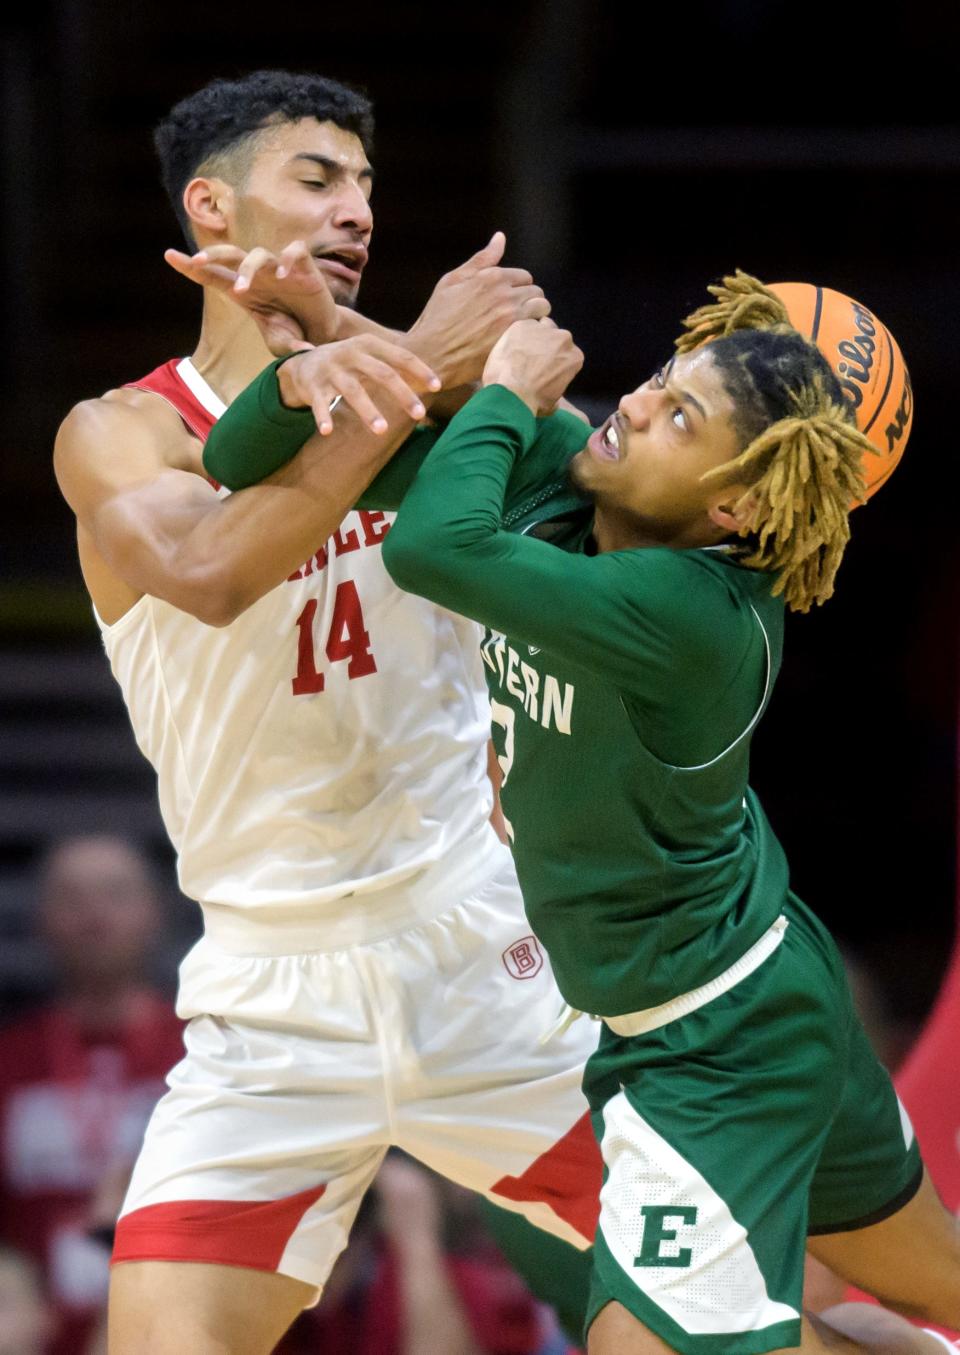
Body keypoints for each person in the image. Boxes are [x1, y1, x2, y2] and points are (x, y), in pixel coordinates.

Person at [203, 274, 960, 1354]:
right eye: (659, 379)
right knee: (934, 1272)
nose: (636, 405)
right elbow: (243, 459)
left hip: (715, 1037)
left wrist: (499, 389)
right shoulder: (564, 472)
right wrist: (319, 363)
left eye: (679, 416)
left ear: (734, 506)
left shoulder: (698, 615)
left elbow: (430, 551)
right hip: (754, 976)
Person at [53, 70, 601, 1354]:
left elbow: (625, 518)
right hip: (268, 989)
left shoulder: (458, 411)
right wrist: (423, 359)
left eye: (366, 186)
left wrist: (511, 388)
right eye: (317, 179)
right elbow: (205, 570)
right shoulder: (127, 432)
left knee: (761, 1314)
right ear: (213, 206)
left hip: (482, 952)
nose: (356, 209)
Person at [0, 837, 184, 1355]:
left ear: (155, 913)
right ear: (41, 919)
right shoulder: (10, 1060)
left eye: (115, 894)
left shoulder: (206, 1054)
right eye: (72, 898)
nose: (94, 914)